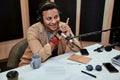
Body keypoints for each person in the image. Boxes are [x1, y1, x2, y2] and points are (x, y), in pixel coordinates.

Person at [19, 1, 81, 66]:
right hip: (31, 65)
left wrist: (69, 38)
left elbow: (78, 49)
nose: (54, 21)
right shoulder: (33, 30)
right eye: (49, 18)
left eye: (56, 17)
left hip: (53, 64)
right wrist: (56, 38)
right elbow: (40, 57)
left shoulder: (63, 26)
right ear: (41, 19)